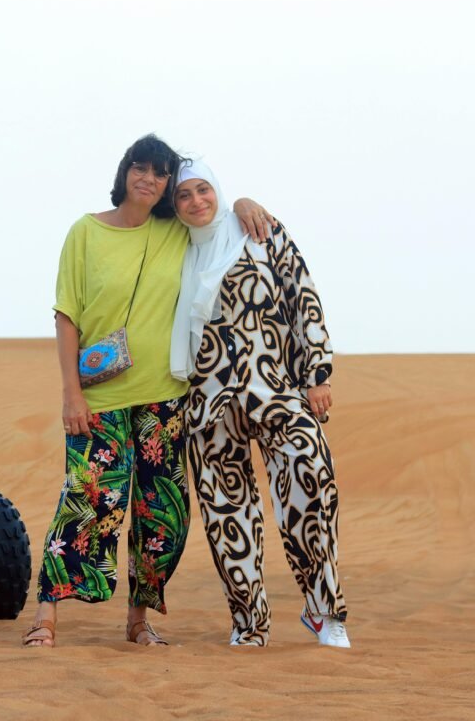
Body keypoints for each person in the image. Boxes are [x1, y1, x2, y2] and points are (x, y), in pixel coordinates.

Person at [22, 136, 272, 648]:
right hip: (100, 397)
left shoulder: (174, 230)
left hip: (166, 396)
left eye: (161, 174)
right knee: (89, 501)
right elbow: (66, 314)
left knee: (161, 512)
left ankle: (138, 621)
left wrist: (243, 200)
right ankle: (45, 617)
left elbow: (214, 218)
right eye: (141, 168)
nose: (149, 179)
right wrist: (72, 394)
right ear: (125, 172)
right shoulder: (85, 232)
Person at [169, 159, 349, 648]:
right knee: (228, 516)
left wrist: (317, 373)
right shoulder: (172, 249)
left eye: (203, 189)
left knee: (311, 477)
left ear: (218, 189)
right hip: (205, 401)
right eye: (183, 196)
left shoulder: (258, 230)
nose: (196, 202)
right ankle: (249, 623)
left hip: (274, 388)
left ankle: (324, 611)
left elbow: (302, 297)